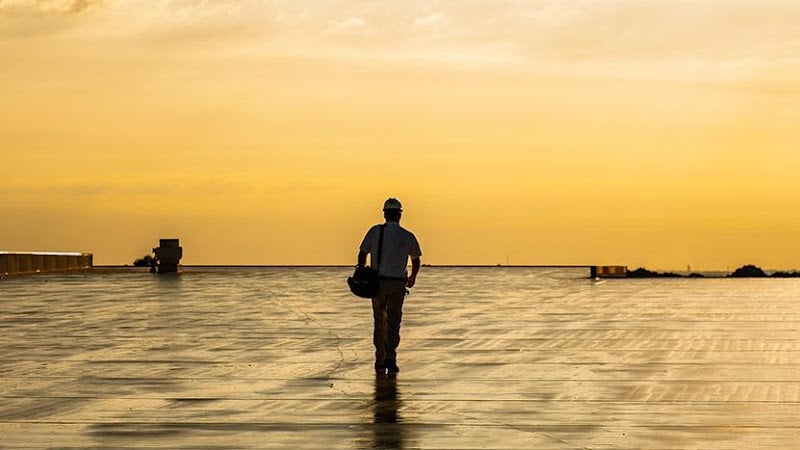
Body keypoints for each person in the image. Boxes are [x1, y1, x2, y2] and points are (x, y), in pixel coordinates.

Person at [358, 198, 422, 376]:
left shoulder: (375, 232)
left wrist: (362, 272)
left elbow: (362, 253)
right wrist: (412, 277)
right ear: (399, 215)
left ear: (385, 214)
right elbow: (416, 260)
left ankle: (380, 360)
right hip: (397, 284)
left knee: (380, 322)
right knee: (394, 322)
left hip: (378, 284)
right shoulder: (407, 236)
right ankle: (391, 358)